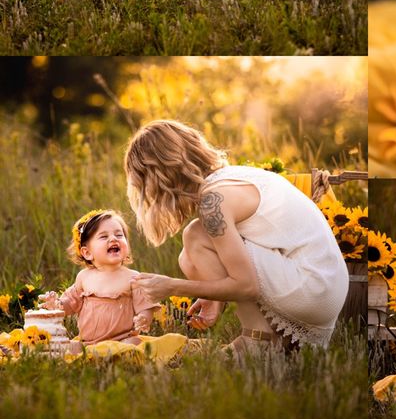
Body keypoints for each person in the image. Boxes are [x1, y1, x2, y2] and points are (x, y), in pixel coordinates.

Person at [124, 120, 348, 360]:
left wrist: (170, 286)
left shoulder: (214, 201)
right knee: (188, 257)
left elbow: (247, 286)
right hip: (327, 286)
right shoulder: (234, 177)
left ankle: (258, 340)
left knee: (195, 236)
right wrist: (213, 297)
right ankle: (279, 342)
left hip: (312, 287)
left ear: (161, 175)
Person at [42, 209, 158, 351]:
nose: (113, 239)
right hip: (88, 342)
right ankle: (90, 354)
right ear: (87, 252)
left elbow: (145, 307)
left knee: (134, 344)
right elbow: (71, 303)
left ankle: (120, 357)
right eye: (103, 237)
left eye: (119, 235)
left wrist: (144, 319)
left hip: (122, 339)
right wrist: (57, 305)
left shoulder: (133, 278)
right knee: (66, 348)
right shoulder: (84, 277)